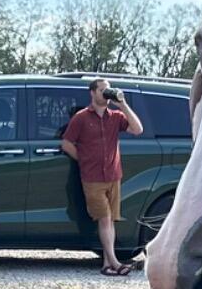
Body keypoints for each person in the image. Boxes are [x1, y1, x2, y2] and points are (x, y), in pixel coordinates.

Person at [60, 76, 144, 275]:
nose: (106, 94)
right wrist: (84, 159)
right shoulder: (81, 117)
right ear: (92, 92)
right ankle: (115, 262)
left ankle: (107, 264)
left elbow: (138, 129)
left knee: (110, 220)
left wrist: (122, 104)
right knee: (105, 219)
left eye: (108, 90)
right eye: (102, 91)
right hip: (92, 178)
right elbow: (66, 143)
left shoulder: (115, 117)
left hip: (113, 175)